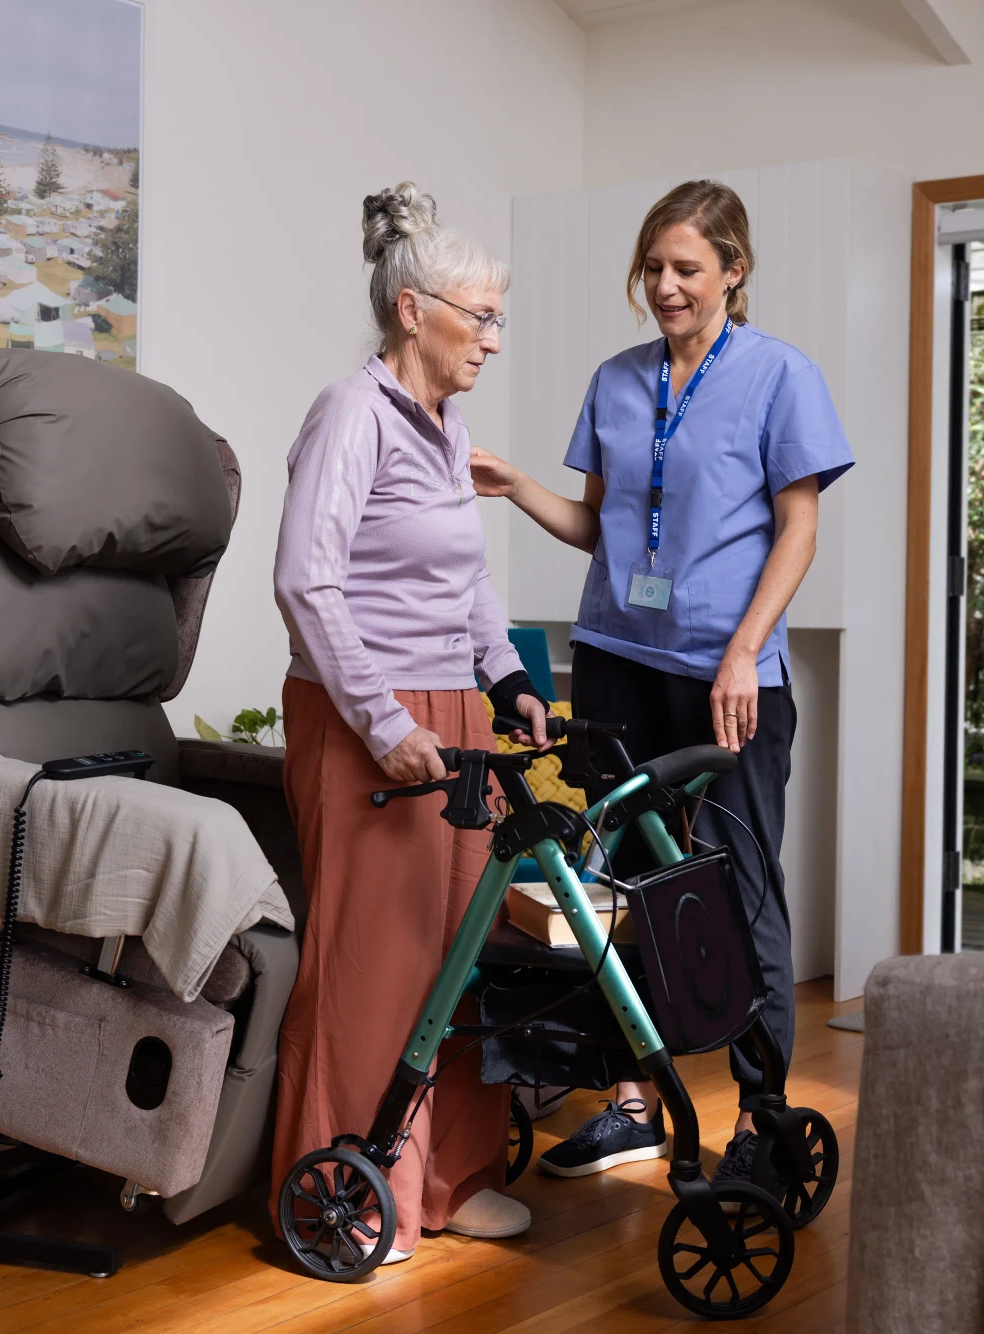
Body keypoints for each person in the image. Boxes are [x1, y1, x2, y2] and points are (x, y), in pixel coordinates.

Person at [470, 180, 853, 1183]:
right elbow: (600, 527)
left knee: (739, 885)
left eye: (686, 268)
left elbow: (798, 525)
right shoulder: (616, 378)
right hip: (617, 659)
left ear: (734, 268)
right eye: (653, 268)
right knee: (623, 882)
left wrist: (743, 650)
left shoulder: (779, 377)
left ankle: (762, 1118)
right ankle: (634, 1102)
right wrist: (516, 488)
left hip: (727, 676)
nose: (666, 286)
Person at [271, 182, 553, 1264]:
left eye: (495, 317)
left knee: (459, 953)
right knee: (375, 957)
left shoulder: (446, 425)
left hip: (450, 714)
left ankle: (446, 1174)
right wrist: (382, 718)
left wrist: (507, 678)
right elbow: (307, 580)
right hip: (365, 716)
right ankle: (351, 1182)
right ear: (411, 311)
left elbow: (466, 579)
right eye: (478, 315)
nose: (491, 336)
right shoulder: (351, 413)